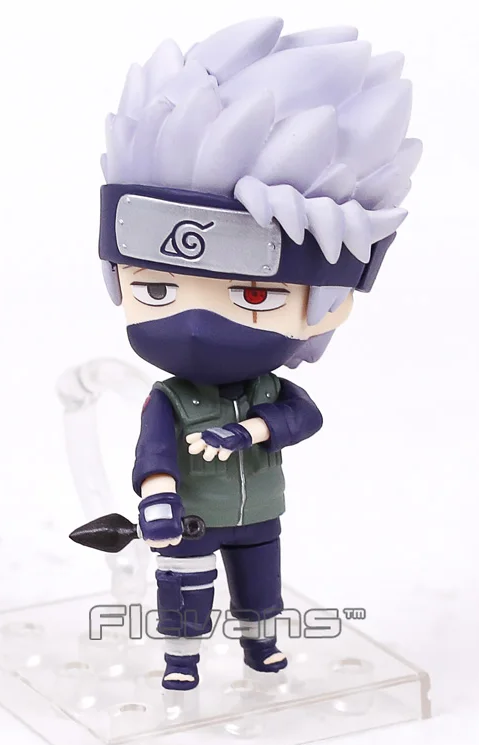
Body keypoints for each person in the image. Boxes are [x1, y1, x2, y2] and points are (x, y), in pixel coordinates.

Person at [96, 17, 421, 689]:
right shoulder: (169, 398)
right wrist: (158, 499)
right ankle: (182, 657)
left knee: (260, 588)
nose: (193, 324)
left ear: (331, 302)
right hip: (192, 521)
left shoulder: (268, 392)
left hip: (258, 514)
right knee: (184, 587)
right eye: (156, 287)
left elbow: (304, 417)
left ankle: (260, 647)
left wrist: (251, 430)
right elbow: (153, 455)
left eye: (250, 295)